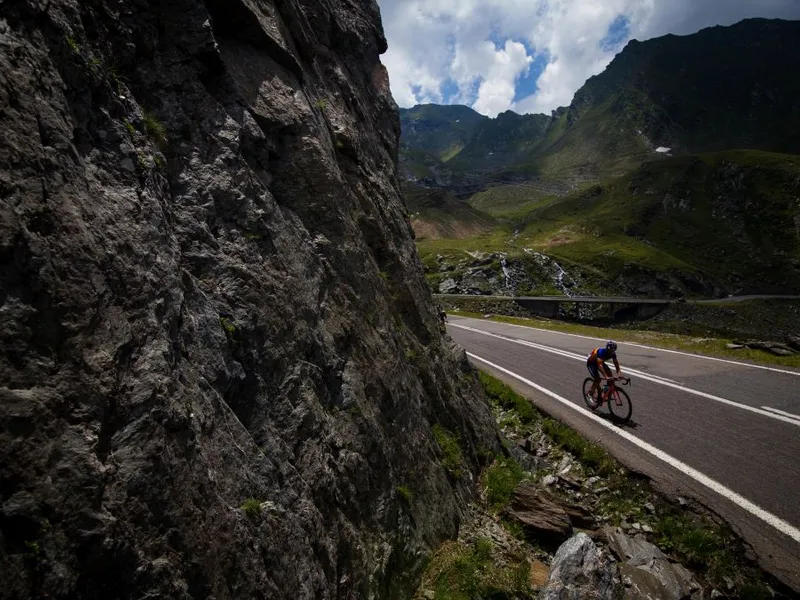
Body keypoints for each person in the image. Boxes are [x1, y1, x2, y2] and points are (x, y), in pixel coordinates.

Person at [586, 341, 622, 405]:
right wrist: (606, 376)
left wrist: (619, 374)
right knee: (598, 379)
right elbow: (600, 366)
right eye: (609, 351)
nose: (610, 352)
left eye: (612, 351)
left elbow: (616, 365)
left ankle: (606, 390)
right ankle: (590, 393)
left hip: (599, 362)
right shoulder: (601, 352)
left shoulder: (613, 354)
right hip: (591, 363)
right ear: (607, 349)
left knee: (610, 374)